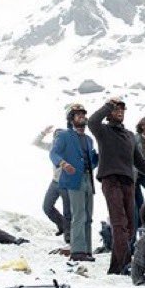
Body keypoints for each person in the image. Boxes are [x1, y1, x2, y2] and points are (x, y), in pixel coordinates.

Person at [88, 97, 145, 274]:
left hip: (128, 182)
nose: (119, 111)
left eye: (122, 109)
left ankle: (117, 266)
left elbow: (140, 162)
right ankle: (123, 265)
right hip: (111, 180)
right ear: (109, 114)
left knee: (131, 225)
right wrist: (108, 105)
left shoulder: (128, 136)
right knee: (119, 223)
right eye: (115, 109)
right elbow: (92, 121)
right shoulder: (103, 131)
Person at [50, 104, 99, 261]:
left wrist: (99, 156)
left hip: (88, 179)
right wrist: (63, 164)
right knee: (79, 214)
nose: (81, 117)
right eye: (77, 114)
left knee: (89, 216)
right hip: (73, 180)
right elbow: (53, 153)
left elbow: (91, 162)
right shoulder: (64, 136)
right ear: (71, 119)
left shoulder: (89, 140)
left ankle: (87, 250)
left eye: (83, 114)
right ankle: (78, 252)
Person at [33, 125, 71, 239]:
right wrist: (43, 132)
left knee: (68, 211)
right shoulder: (52, 147)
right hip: (54, 182)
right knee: (47, 207)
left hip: (67, 184)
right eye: (55, 137)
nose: (57, 139)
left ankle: (69, 235)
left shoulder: (70, 149)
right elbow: (36, 142)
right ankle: (61, 225)